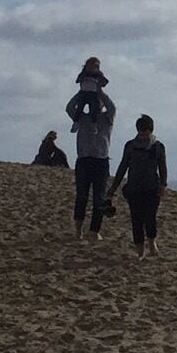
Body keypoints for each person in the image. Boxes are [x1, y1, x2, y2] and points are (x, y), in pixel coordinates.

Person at [66, 67, 116, 240]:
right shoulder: (82, 118)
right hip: (84, 160)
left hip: (101, 161)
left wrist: (99, 91)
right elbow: (69, 108)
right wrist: (82, 92)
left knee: (99, 198)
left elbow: (111, 107)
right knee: (82, 196)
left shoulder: (107, 119)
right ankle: (78, 230)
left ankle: (94, 231)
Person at [111, 114, 167, 257]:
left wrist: (163, 185)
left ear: (151, 130)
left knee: (150, 217)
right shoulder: (130, 146)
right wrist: (113, 187)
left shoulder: (158, 147)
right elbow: (123, 166)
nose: (143, 133)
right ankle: (140, 250)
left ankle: (152, 244)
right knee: (136, 219)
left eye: (146, 130)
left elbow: (163, 168)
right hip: (134, 188)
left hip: (152, 188)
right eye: (141, 130)